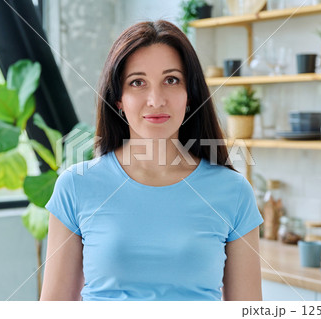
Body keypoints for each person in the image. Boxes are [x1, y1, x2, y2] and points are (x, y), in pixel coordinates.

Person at [40, 20, 263, 301]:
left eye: (171, 80)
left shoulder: (233, 192)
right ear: (118, 99)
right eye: (137, 82)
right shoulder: (75, 186)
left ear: (189, 95)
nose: (156, 100)